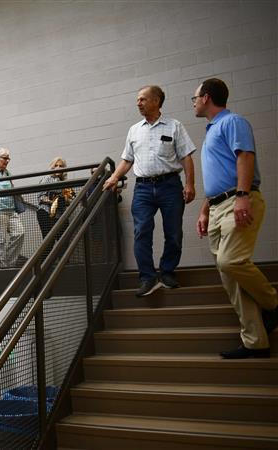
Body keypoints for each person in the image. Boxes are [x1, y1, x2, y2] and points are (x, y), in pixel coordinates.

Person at [193, 78, 278, 359]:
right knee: (230, 276)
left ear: (206, 97)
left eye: (195, 98)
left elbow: (245, 157)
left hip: (237, 200)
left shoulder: (233, 122)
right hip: (217, 206)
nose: (193, 102)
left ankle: (273, 304)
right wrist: (205, 209)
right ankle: (256, 341)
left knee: (230, 261)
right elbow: (217, 177)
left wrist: (243, 195)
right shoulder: (211, 132)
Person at [103, 85, 196, 297]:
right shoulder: (134, 130)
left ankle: (167, 272)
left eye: (143, 99)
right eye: (138, 99)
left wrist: (190, 184)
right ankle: (147, 277)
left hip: (170, 185)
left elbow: (186, 157)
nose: (138, 103)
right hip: (143, 188)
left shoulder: (174, 126)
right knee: (141, 231)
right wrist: (114, 177)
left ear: (156, 101)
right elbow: (127, 159)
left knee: (173, 232)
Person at [37, 157, 75, 258]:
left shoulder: (65, 182)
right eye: (56, 166)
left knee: (64, 241)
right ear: (52, 168)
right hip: (46, 212)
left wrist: (65, 200)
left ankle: (62, 266)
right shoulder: (47, 179)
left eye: (61, 166)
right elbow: (40, 197)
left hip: (60, 215)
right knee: (49, 242)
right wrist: (54, 201)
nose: (58, 168)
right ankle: (42, 266)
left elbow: (70, 199)